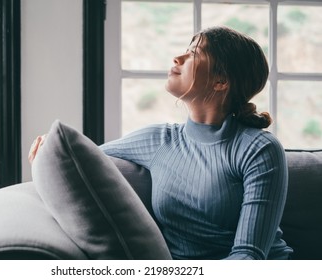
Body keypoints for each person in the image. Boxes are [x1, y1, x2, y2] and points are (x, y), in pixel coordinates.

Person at [29, 26, 293, 260]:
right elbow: (77, 160)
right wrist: (46, 146)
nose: (178, 58)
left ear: (221, 81)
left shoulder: (259, 149)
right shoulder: (156, 140)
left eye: (195, 53)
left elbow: (249, 256)